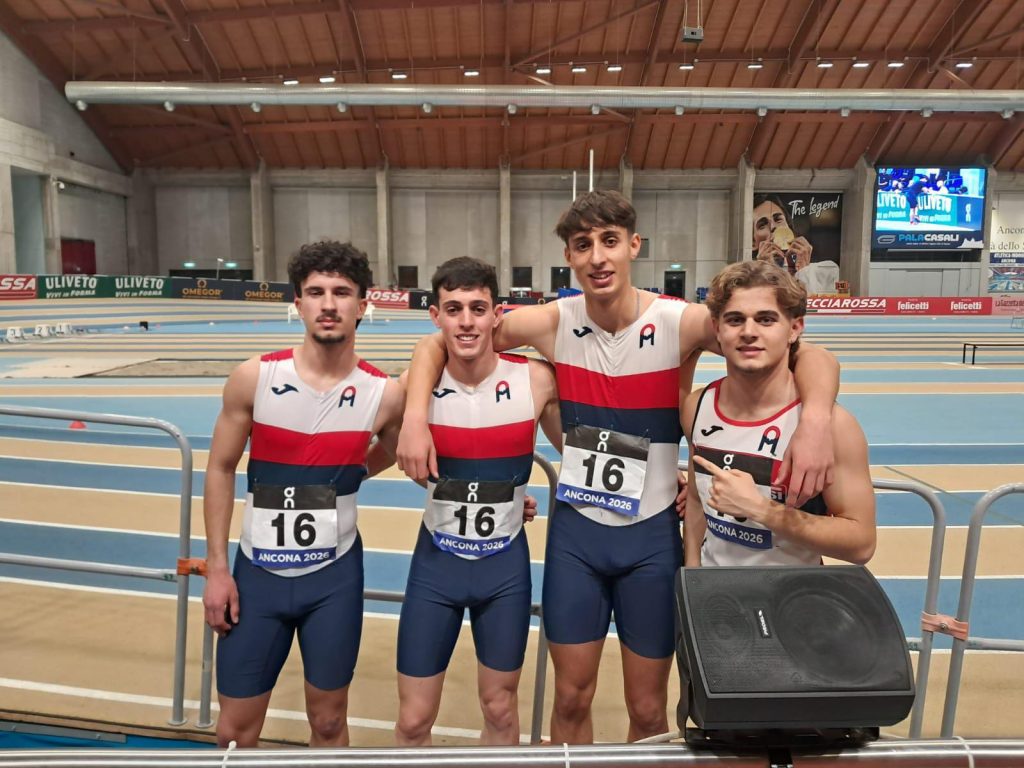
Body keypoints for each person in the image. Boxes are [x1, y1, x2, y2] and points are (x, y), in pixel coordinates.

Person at [398, 190, 840, 743]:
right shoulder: (550, 321)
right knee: (569, 699)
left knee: (649, 710)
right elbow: (441, 342)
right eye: (583, 245)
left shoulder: (682, 321)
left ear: (634, 245)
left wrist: (815, 420)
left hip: (651, 539)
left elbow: (808, 352)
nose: (598, 257)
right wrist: (414, 416)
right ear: (569, 256)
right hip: (577, 540)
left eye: (610, 241)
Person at [202, 240, 404, 748]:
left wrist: (353, 471)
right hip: (256, 576)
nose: (328, 304)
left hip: (334, 578)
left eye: (341, 292)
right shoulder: (255, 378)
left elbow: (408, 453)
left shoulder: (384, 393)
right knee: (234, 731)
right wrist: (217, 570)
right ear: (298, 303)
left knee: (330, 723)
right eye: (316, 292)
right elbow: (220, 468)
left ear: (363, 305)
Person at [678, 260, 876, 722]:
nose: (749, 332)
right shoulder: (698, 407)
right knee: (710, 733)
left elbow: (861, 542)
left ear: (794, 329)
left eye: (766, 319)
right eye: (735, 319)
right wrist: (692, 579)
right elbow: (698, 503)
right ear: (717, 330)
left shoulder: (832, 427)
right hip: (717, 612)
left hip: (796, 616)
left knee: (790, 738)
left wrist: (765, 512)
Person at [394, 257, 562, 746]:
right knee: (413, 719)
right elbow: (375, 460)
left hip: (503, 569)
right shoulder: (414, 389)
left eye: (477, 308)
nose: (466, 321)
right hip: (436, 567)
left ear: (496, 314)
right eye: (453, 309)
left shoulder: (537, 380)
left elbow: (577, 452)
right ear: (436, 316)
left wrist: (667, 475)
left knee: (501, 710)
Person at [752, 194, 839, 295]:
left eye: (778, 219)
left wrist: (804, 270)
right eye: (762, 225)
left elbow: (812, 305)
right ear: (753, 243)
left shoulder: (827, 271)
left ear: (789, 228)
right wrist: (764, 273)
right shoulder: (749, 280)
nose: (773, 227)